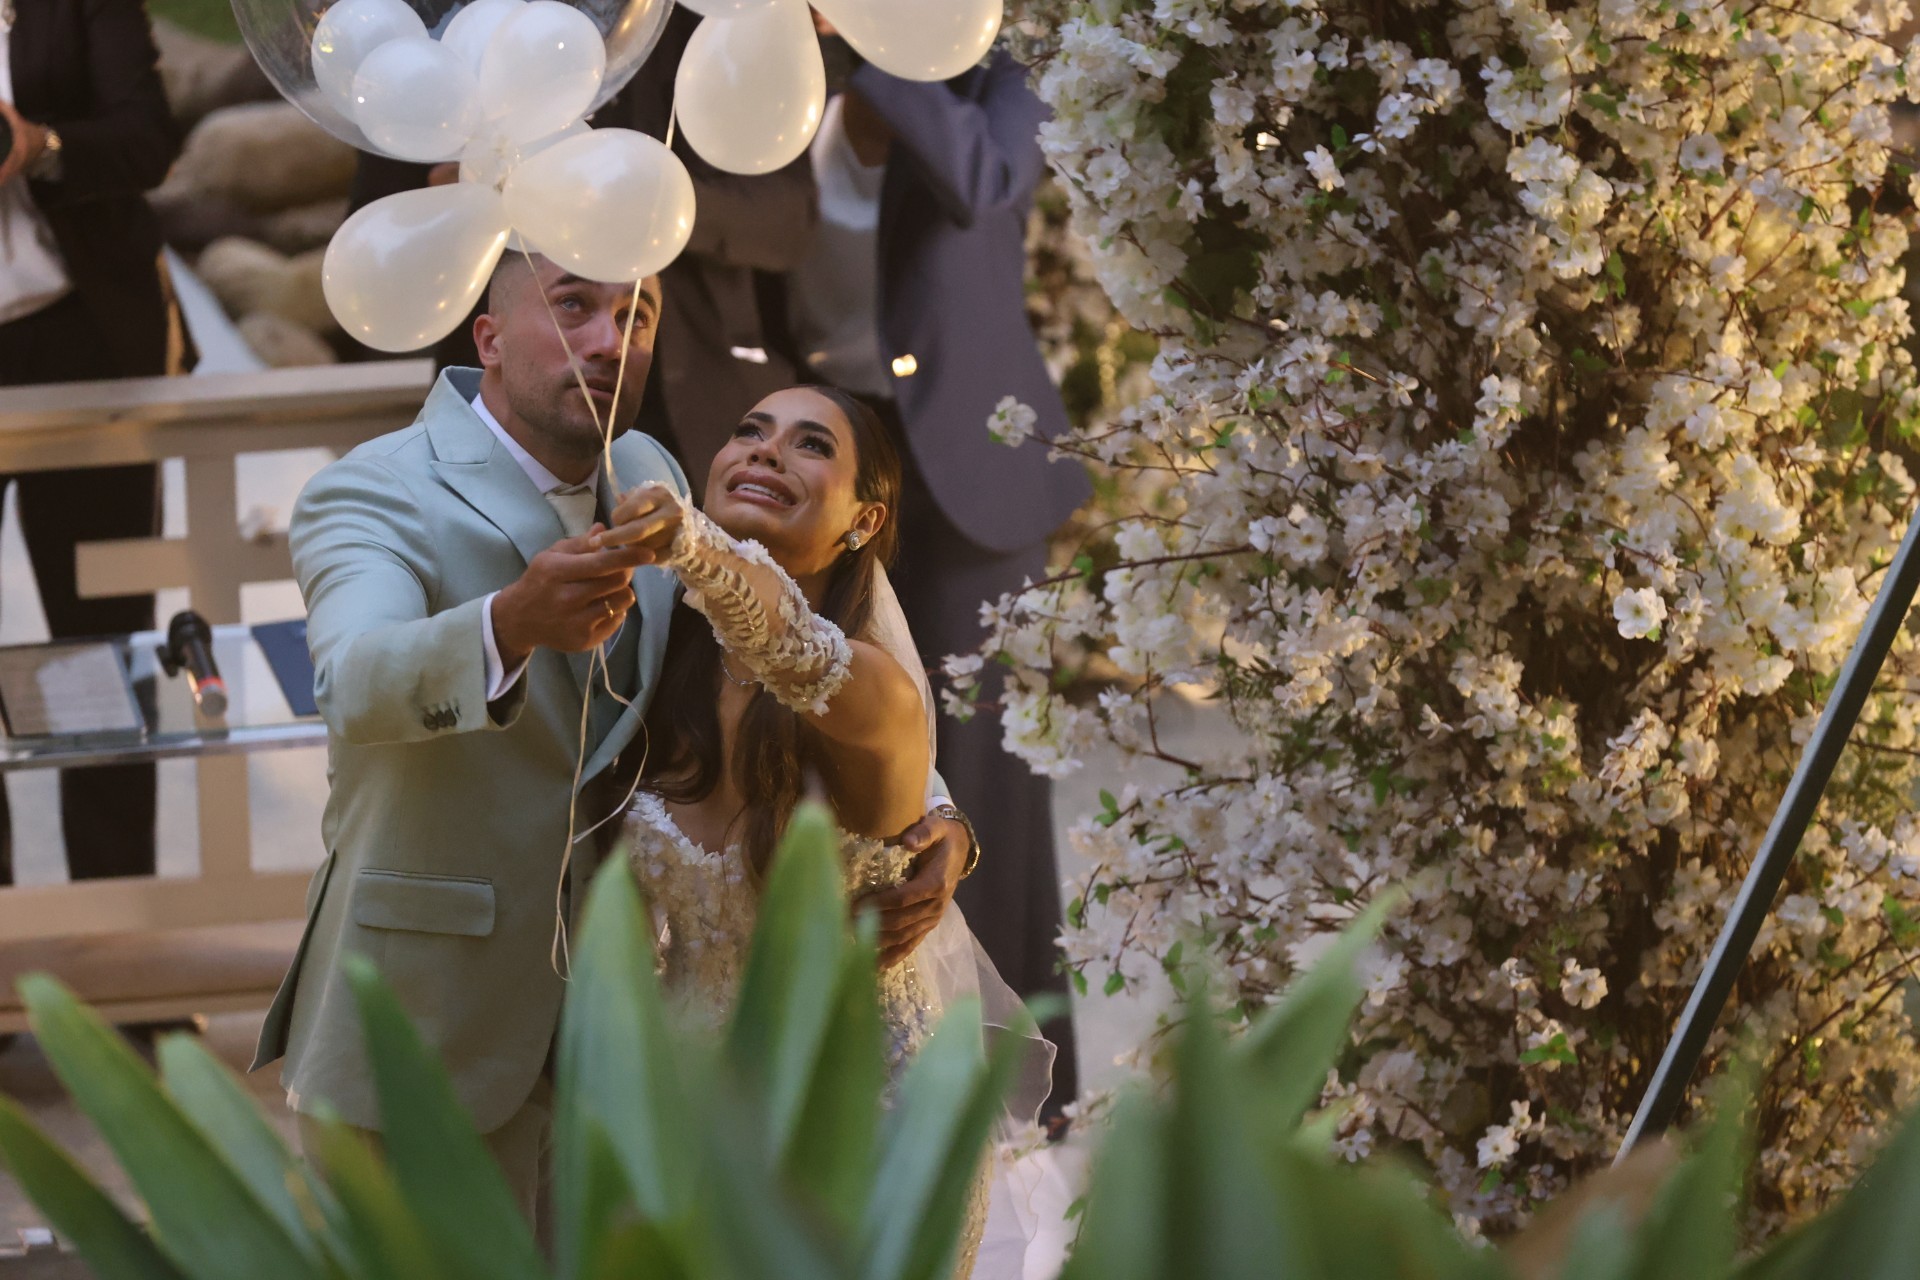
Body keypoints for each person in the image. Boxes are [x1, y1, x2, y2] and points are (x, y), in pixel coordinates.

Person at [250, 252, 980, 1226]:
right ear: (489, 337)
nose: (610, 339)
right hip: (438, 1021)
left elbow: (800, 679)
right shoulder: (374, 489)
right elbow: (352, 682)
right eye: (575, 307)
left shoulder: (647, 471)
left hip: (627, 1055)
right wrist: (506, 623)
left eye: (637, 316)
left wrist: (935, 821)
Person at [609, 383, 1053, 1276]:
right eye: (748, 430)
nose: (767, 451)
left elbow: (787, 644)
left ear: (864, 520)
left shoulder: (878, 691)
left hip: (864, 1117)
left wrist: (690, 539)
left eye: (812, 445)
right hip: (688, 1112)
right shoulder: (656, 667)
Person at [781, 30, 1091, 1113]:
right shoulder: (755, 59)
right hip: (807, 462)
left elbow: (982, 179)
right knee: (827, 766)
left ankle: (1015, 1094)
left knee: (984, 786)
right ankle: (860, 1081)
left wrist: (872, 55)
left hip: (965, 474)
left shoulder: (996, 74)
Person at [0, 0, 180, 893]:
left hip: (83, 339)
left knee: (99, 648)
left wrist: (41, 148)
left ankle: (124, 945)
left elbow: (149, 136)